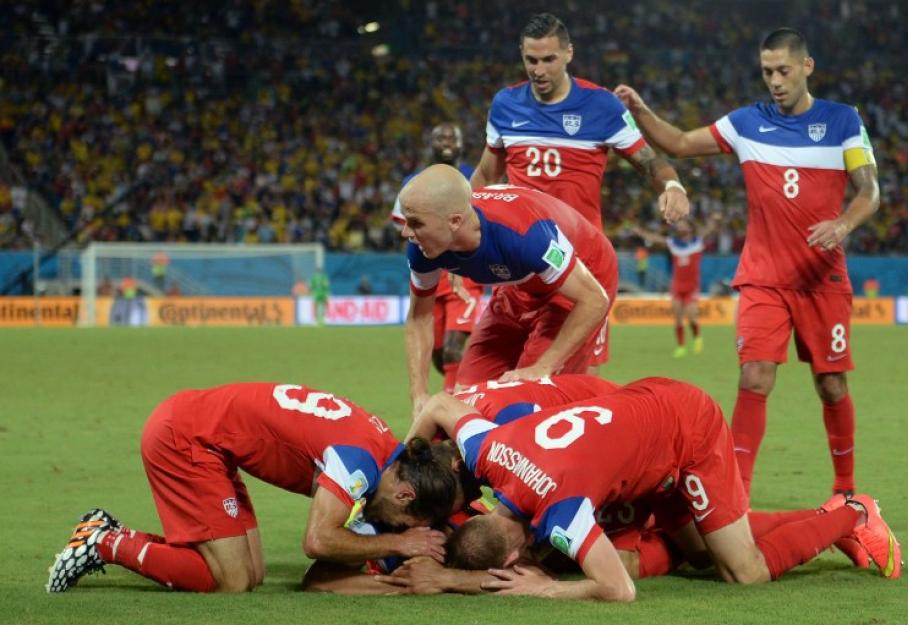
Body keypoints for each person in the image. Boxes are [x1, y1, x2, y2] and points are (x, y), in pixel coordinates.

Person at [614, 27, 880, 497]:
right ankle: (734, 495)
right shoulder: (746, 123)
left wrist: (841, 225)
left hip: (823, 277)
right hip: (764, 277)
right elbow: (677, 142)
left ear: (806, 66)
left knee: (831, 384)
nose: (775, 81)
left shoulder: (842, 121)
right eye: (767, 72)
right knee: (755, 375)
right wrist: (640, 110)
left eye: (783, 71)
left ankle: (846, 490)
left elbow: (870, 190)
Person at [416, 377, 901, 601]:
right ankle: (826, 519)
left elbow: (619, 589)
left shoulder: (562, 513)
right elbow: (440, 403)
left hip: (687, 431)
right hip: (641, 403)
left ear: (510, 561)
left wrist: (541, 590)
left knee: (743, 572)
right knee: (701, 552)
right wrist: (404, 458)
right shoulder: (489, 451)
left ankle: (855, 513)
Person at [46, 383, 458, 593]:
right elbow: (317, 541)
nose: (397, 528)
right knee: (232, 583)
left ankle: (109, 532)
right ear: (405, 495)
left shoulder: (383, 447)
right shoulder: (358, 464)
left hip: (211, 443)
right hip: (184, 438)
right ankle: (102, 542)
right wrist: (397, 547)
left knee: (252, 574)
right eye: (405, 523)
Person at [470, 13, 691, 373]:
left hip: (579, 266)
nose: (538, 70)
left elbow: (651, 162)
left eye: (548, 59)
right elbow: (484, 175)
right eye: (531, 60)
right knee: (495, 378)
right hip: (519, 263)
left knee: (570, 379)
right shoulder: (505, 105)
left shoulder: (601, 106)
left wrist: (673, 186)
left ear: (568, 53)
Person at [399, 165, 622, 418]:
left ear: (454, 221)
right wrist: (418, 395)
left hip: (583, 278)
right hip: (521, 282)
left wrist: (542, 367)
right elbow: (419, 317)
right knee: (466, 397)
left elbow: (594, 300)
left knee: (526, 400)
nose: (406, 232)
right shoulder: (422, 248)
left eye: (415, 223)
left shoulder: (524, 233)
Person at [392, 123, 485, 394]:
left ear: (461, 144)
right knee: (437, 352)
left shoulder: (474, 178)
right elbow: (402, 227)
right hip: (431, 270)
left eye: (451, 137)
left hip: (465, 272)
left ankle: (449, 421)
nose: (446, 142)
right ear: (431, 144)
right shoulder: (412, 183)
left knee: (453, 349)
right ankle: (465, 393)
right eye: (440, 137)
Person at [631, 215, 721, 358]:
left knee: (691, 317)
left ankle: (697, 337)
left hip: (692, 287)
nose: (680, 226)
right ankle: (681, 347)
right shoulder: (673, 243)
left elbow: (710, 229)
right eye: (678, 225)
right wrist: (640, 232)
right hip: (677, 287)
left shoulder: (697, 242)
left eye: (683, 224)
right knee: (678, 318)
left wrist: (715, 220)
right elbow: (655, 239)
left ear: (690, 228)